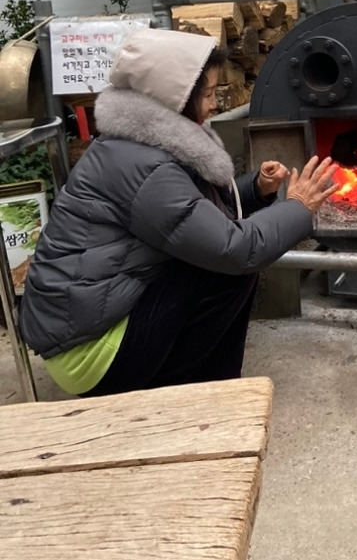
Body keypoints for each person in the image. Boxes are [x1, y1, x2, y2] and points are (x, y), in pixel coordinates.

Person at [20, 27, 338, 396]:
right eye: (207, 94)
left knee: (215, 264)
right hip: (88, 353)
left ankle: (207, 382)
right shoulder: (145, 167)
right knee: (226, 272)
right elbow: (235, 249)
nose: (214, 104)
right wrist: (299, 207)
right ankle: (195, 391)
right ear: (176, 99)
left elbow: (189, 214)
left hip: (88, 317)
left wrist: (256, 189)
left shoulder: (135, 146)